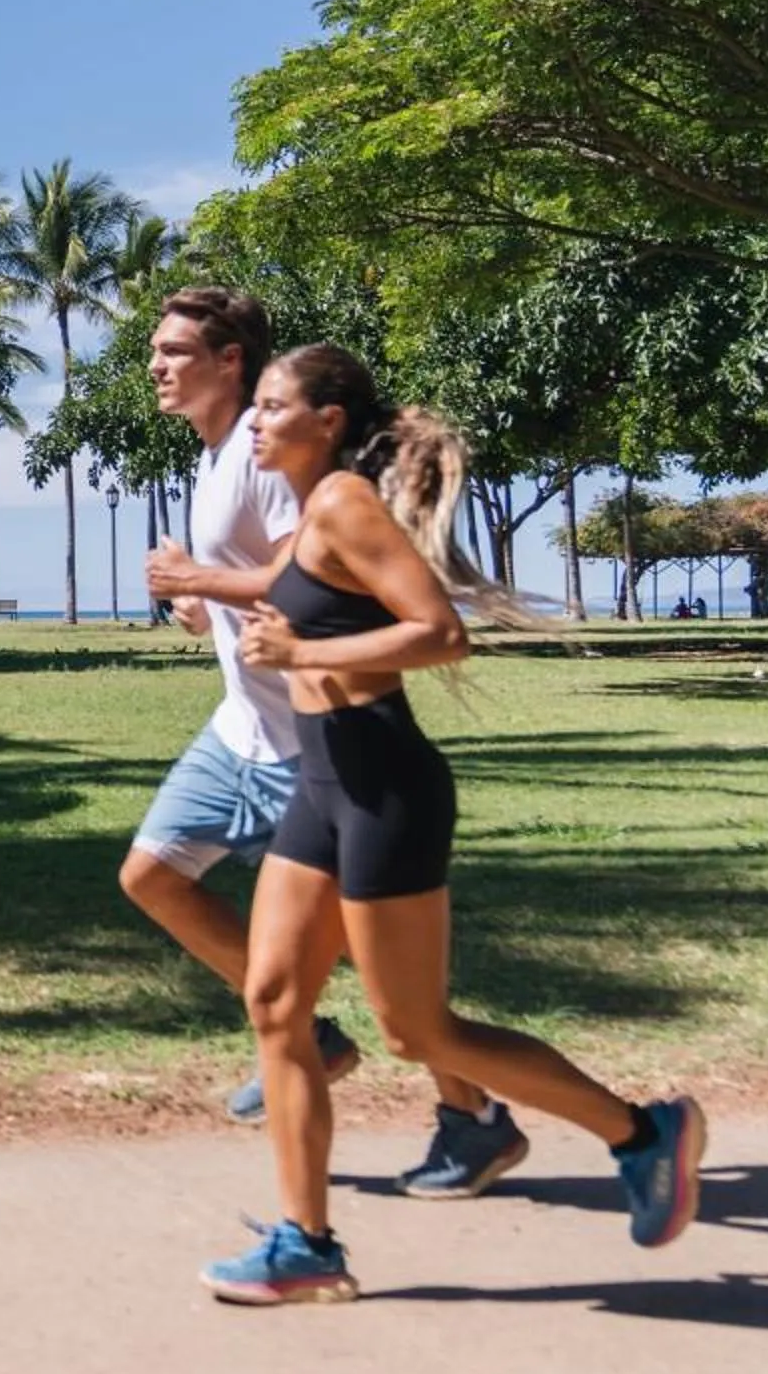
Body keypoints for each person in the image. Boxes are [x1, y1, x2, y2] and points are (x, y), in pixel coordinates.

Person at [202, 343, 704, 1305]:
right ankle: (306, 1242)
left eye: (273, 407)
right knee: (274, 1001)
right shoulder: (309, 515)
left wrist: (300, 641)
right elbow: (294, 603)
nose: (256, 422)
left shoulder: (346, 502)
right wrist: (222, 605)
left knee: (415, 1028)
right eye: (255, 407)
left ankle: (644, 1134)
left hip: (384, 783)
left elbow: (440, 632)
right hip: (322, 779)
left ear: (329, 422)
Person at [130, 289, 522, 1201]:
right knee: (153, 875)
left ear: (230, 361)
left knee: (374, 963)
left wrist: (201, 577)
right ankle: (311, 1040)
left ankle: (473, 1116)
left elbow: (306, 568)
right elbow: (261, 587)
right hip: (244, 730)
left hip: (312, 740)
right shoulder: (222, 452)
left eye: (174, 349)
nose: (156, 364)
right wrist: (202, 604)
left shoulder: (270, 459)